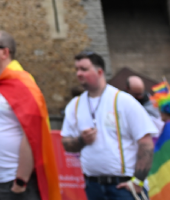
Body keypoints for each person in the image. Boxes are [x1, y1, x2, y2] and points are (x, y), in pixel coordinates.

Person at [61, 52, 158, 200]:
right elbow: (66, 143)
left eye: (84, 69)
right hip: (93, 185)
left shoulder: (124, 101)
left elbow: (145, 143)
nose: (79, 74)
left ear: (100, 72)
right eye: (77, 69)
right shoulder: (74, 105)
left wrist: (138, 181)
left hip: (123, 186)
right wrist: (81, 140)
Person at [0, 31, 60, 200]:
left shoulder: (22, 83)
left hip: (17, 184)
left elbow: (32, 132)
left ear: (5, 52)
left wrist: (21, 181)